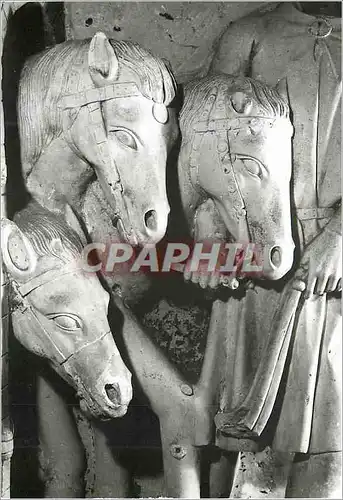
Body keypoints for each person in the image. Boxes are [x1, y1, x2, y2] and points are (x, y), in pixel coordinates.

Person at [209, 2, 341, 497]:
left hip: (334, 268)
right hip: (259, 260)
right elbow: (204, 142)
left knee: (328, 453)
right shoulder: (250, 35)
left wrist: (340, 238)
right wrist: (212, 235)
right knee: (246, 454)